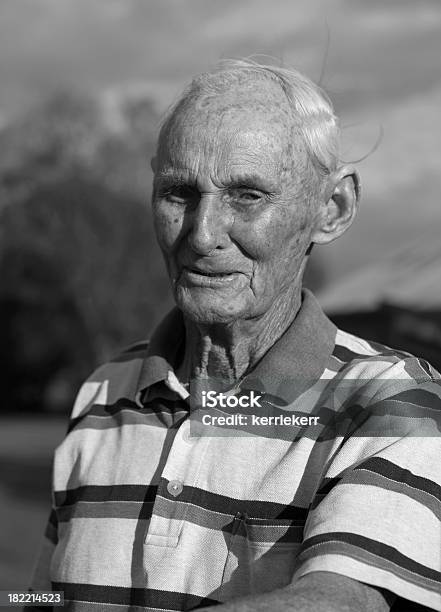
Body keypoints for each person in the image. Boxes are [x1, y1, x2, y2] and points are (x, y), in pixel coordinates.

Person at [30, 59, 441, 611]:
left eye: (248, 196)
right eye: (178, 193)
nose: (202, 235)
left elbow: (343, 603)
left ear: (333, 209)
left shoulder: (392, 403)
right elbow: (39, 597)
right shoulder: (104, 394)